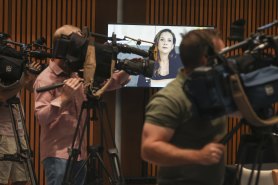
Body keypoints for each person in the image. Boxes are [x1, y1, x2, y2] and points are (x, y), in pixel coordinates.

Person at [33, 24, 130, 185]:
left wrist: (127, 69)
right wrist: (63, 99)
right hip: (58, 155)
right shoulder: (45, 79)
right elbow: (41, 117)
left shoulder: (77, 73)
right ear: (64, 46)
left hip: (80, 153)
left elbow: (105, 84)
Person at [140, 29, 227, 185]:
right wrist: (198, 156)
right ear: (205, 59)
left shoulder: (214, 90)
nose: (225, 61)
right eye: (221, 56)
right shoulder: (170, 98)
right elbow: (149, 149)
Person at [0, 35, 41, 185]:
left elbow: (31, 88)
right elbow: (2, 96)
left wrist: (31, 76)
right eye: (7, 46)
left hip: (19, 133)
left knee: (22, 180)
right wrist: (24, 80)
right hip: (3, 135)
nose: (11, 50)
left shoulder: (13, 71)